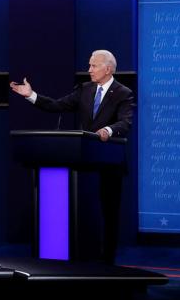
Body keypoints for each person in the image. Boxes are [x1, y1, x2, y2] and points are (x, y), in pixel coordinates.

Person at [10, 49, 134, 264]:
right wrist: (31, 95)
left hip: (109, 164)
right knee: (84, 213)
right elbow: (57, 105)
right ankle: (79, 258)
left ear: (108, 69)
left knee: (109, 214)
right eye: (89, 65)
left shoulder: (123, 93)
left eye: (93, 66)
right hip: (84, 165)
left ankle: (107, 263)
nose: (89, 70)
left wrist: (108, 131)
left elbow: (125, 122)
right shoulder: (84, 90)